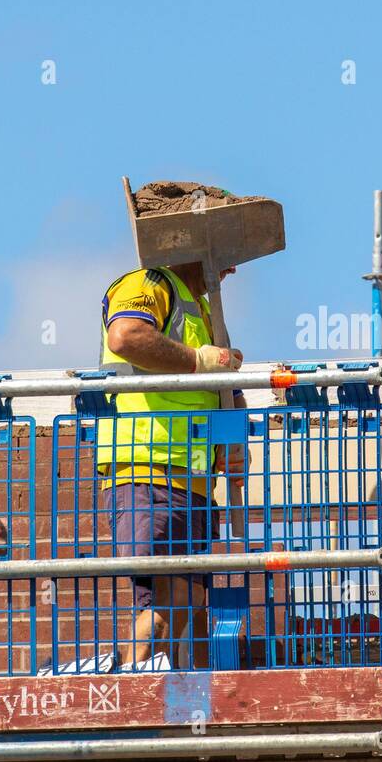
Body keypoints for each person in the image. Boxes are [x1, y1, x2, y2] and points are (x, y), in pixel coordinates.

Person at [96, 259, 245, 671]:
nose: (231, 267)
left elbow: (218, 386)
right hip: (147, 470)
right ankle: (135, 691)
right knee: (165, 600)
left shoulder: (203, 308)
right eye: (224, 254)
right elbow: (126, 337)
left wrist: (231, 442)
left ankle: (158, 693)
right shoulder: (151, 283)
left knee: (189, 602)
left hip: (190, 481)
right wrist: (200, 361)